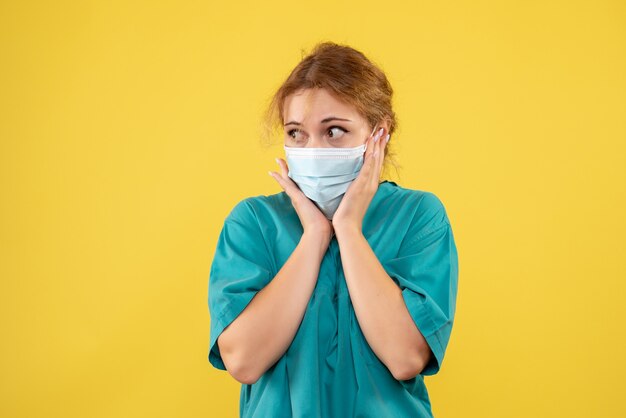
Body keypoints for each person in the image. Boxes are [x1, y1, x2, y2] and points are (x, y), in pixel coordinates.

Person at [207, 41, 459, 417]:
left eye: (335, 131)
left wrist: (349, 228)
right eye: (296, 133)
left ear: (379, 134)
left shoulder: (418, 216)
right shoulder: (254, 222)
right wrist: (314, 236)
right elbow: (243, 361)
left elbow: (405, 356)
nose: (312, 149)